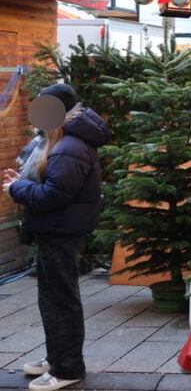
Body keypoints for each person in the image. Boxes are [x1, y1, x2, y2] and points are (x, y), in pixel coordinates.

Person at [2, 84, 110, 391]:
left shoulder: (69, 146)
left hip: (61, 231)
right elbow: (50, 184)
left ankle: (67, 368)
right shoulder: (62, 142)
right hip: (55, 229)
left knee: (60, 300)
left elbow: (54, 195)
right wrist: (21, 183)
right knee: (54, 299)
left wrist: (17, 190)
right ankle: (58, 358)